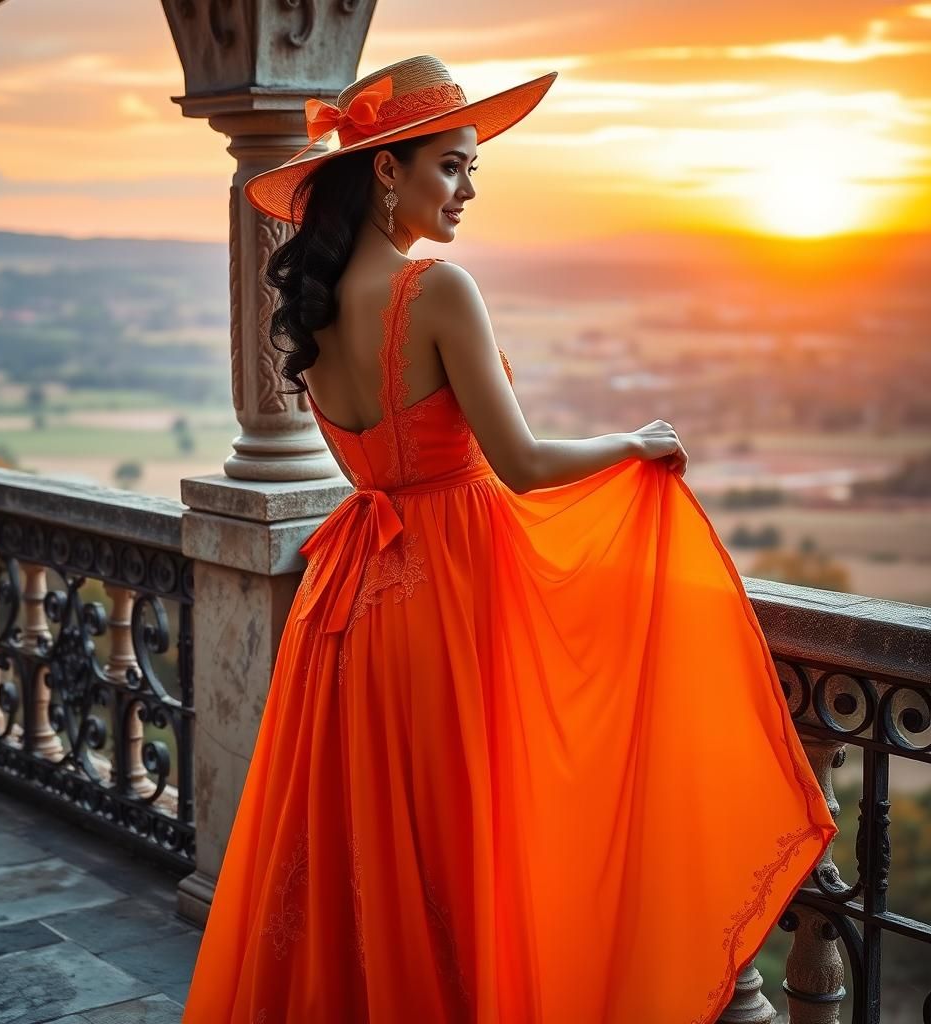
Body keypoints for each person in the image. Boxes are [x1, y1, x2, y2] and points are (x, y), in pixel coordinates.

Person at [181, 54, 837, 1024]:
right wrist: (635, 441)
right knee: (462, 848)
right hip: (450, 598)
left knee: (370, 860)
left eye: (472, 168)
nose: (467, 191)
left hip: (352, 613)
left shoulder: (311, 317)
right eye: (450, 165)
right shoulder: (435, 290)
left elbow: (387, 469)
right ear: (386, 171)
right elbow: (522, 464)